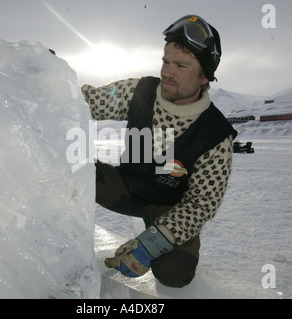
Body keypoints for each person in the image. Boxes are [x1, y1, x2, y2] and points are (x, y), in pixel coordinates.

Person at [81, 15, 237, 288]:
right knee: (65, 167)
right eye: (166, 62)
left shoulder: (216, 135)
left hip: (170, 209)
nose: (167, 72)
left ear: (203, 77)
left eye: (180, 65)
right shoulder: (140, 90)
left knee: (174, 273)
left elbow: (202, 205)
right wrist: (52, 83)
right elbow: (91, 101)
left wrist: (151, 244)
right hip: (126, 187)